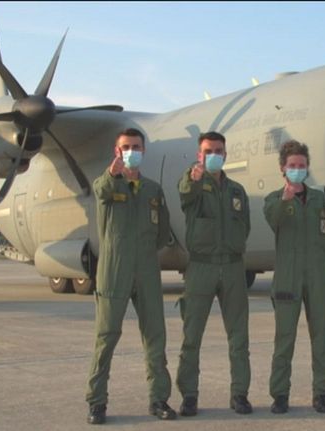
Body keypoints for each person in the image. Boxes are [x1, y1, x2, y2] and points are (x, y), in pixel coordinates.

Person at [85, 128, 176, 425]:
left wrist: (145, 251)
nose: (131, 151)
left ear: (143, 151)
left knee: (155, 336)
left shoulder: (152, 190)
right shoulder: (108, 184)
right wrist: (112, 174)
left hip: (147, 269)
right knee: (106, 336)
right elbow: (99, 191)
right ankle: (97, 402)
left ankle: (159, 399)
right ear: (117, 151)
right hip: (115, 269)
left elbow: (163, 231)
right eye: (126, 147)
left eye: (136, 147)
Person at [175, 131, 252, 416]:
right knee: (192, 335)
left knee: (239, 336)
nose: (214, 156)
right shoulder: (194, 184)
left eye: (218, 151)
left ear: (225, 155)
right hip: (201, 266)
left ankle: (240, 394)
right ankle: (189, 395)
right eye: (208, 151)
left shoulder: (237, 191)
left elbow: (245, 225)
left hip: (232, 267)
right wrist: (193, 179)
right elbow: (185, 194)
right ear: (199, 155)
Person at [263, 140, 325, 414]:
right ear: (283, 168)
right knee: (284, 339)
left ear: (307, 168)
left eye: (301, 165)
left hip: (318, 275)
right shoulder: (274, 200)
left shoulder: (319, 199)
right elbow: (274, 221)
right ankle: (280, 394)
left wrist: (316, 259)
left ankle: (322, 394)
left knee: (322, 337)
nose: (297, 169)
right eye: (292, 165)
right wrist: (285, 201)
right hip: (288, 277)